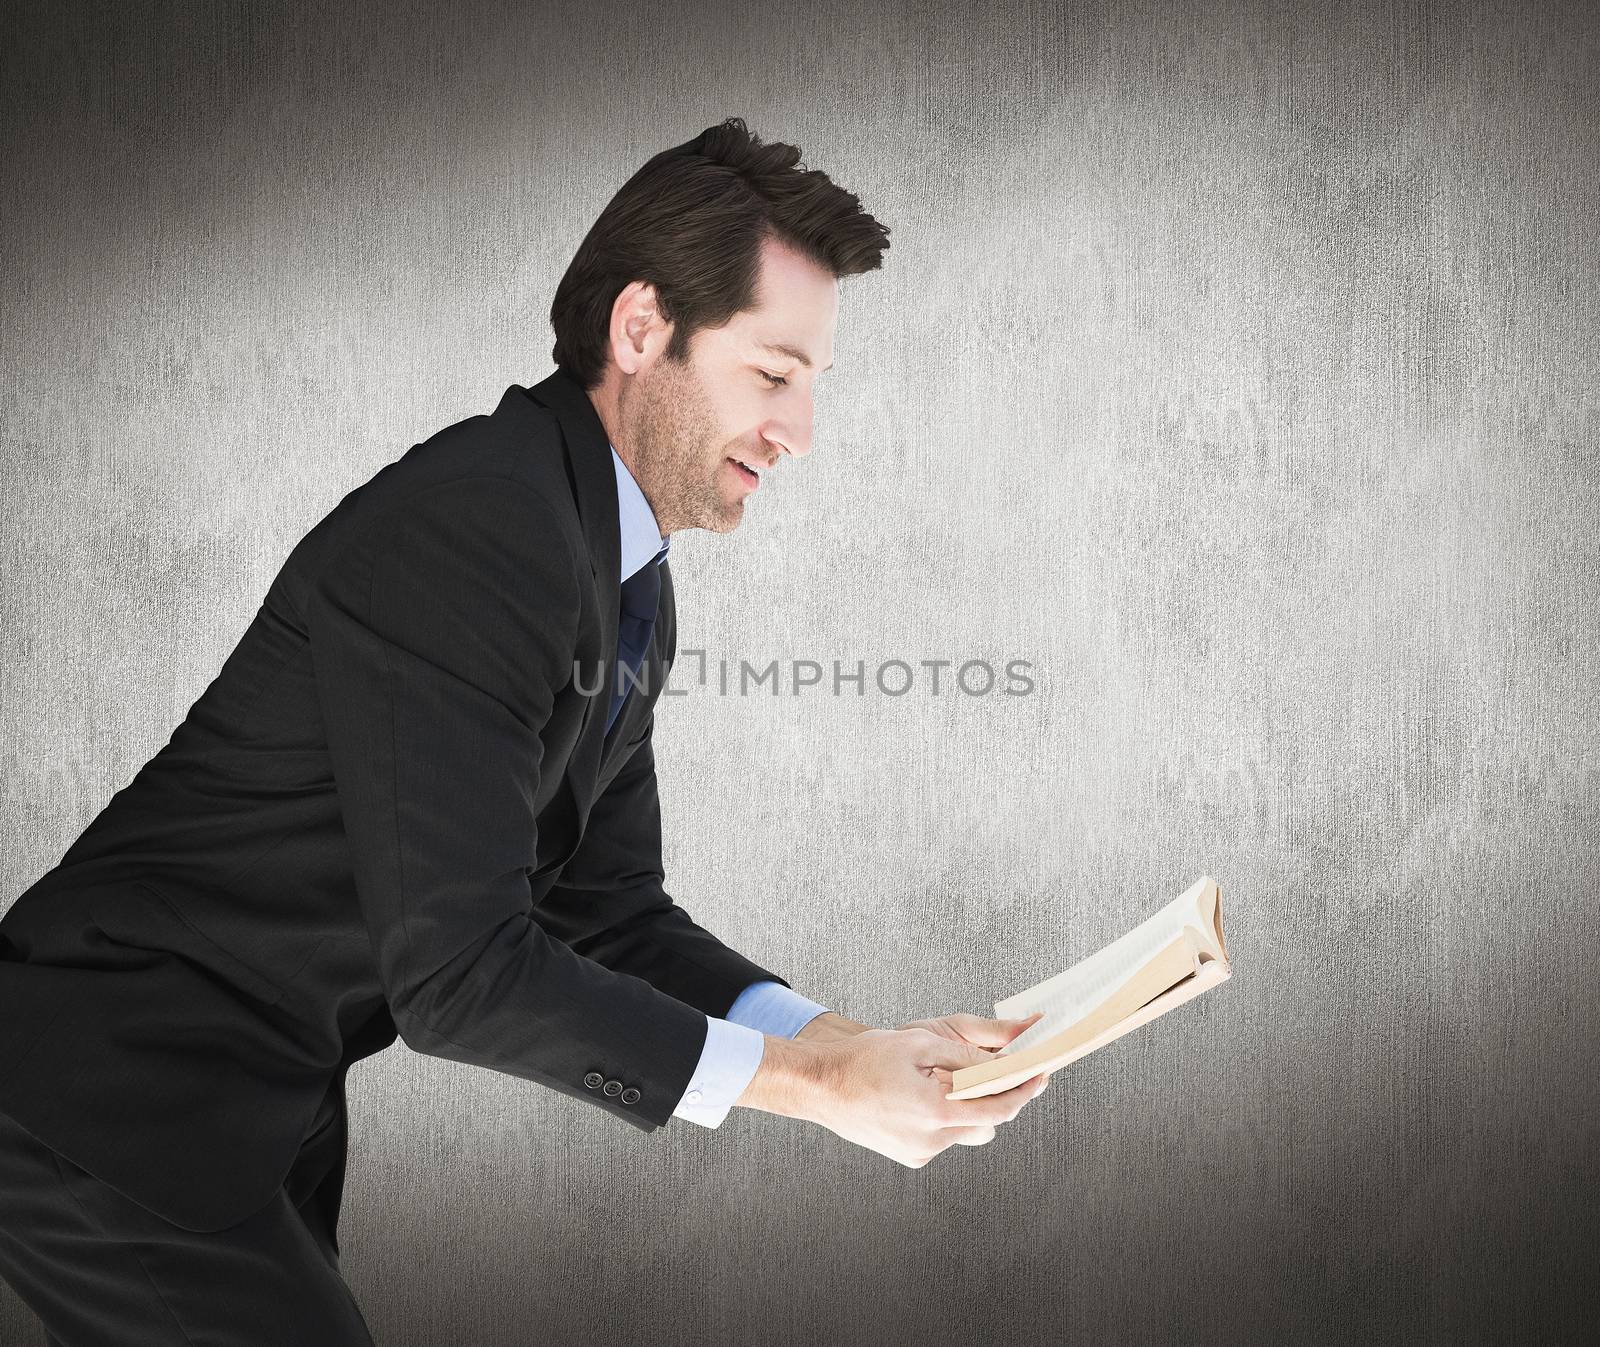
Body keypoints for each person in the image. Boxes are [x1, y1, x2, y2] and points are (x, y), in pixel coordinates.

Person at [0, 116, 1051, 1344]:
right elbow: (459, 975)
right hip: (106, 1092)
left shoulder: (627, 574)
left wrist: (844, 1039)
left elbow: (605, 910)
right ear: (642, 330)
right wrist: (821, 1090)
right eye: (771, 374)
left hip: (246, 1112)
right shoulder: (476, 525)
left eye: (813, 384)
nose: (800, 432)